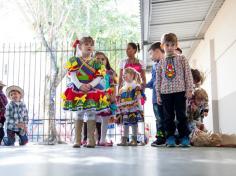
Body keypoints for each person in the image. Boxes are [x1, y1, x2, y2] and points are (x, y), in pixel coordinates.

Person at [62, 36, 111, 148]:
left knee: (91, 113)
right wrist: (79, 85)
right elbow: (72, 75)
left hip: (91, 90)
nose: (89, 46)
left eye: (91, 44)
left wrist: (90, 85)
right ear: (80, 46)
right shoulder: (74, 61)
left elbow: (99, 77)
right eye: (86, 44)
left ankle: (91, 140)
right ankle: (77, 140)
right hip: (77, 90)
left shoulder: (97, 63)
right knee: (78, 113)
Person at [156, 33, 193, 147]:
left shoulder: (182, 59)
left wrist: (189, 89)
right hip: (165, 93)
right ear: (163, 46)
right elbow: (158, 79)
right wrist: (158, 94)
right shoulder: (161, 63)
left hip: (180, 91)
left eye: (173, 45)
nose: (170, 47)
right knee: (168, 117)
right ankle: (170, 137)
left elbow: (188, 74)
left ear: (177, 45)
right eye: (167, 45)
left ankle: (184, 137)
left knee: (181, 115)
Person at [117, 67, 144, 146]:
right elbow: (120, 99)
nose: (124, 75)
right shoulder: (122, 88)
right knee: (125, 124)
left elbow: (138, 97)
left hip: (133, 109)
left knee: (133, 124)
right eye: (123, 74)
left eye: (126, 74)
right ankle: (124, 140)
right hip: (125, 109)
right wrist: (120, 107)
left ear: (132, 75)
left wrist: (134, 104)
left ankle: (134, 140)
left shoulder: (136, 86)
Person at [95, 51, 117, 146]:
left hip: (106, 98)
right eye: (97, 59)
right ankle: (93, 139)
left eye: (103, 59)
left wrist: (113, 97)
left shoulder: (110, 73)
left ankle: (102, 139)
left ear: (106, 61)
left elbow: (113, 85)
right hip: (94, 98)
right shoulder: (92, 72)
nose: (100, 61)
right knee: (93, 118)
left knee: (105, 119)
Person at [145, 42, 166, 146]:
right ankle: (161, 138)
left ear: (158, 51)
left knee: (167, 118)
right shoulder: (154, 66)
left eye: (151, 53)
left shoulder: (167, 63)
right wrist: (144, 85)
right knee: (159, 119)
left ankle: (169, 137)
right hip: (155, 99)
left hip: (166, 97)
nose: (150, 56)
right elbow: (153, 81)